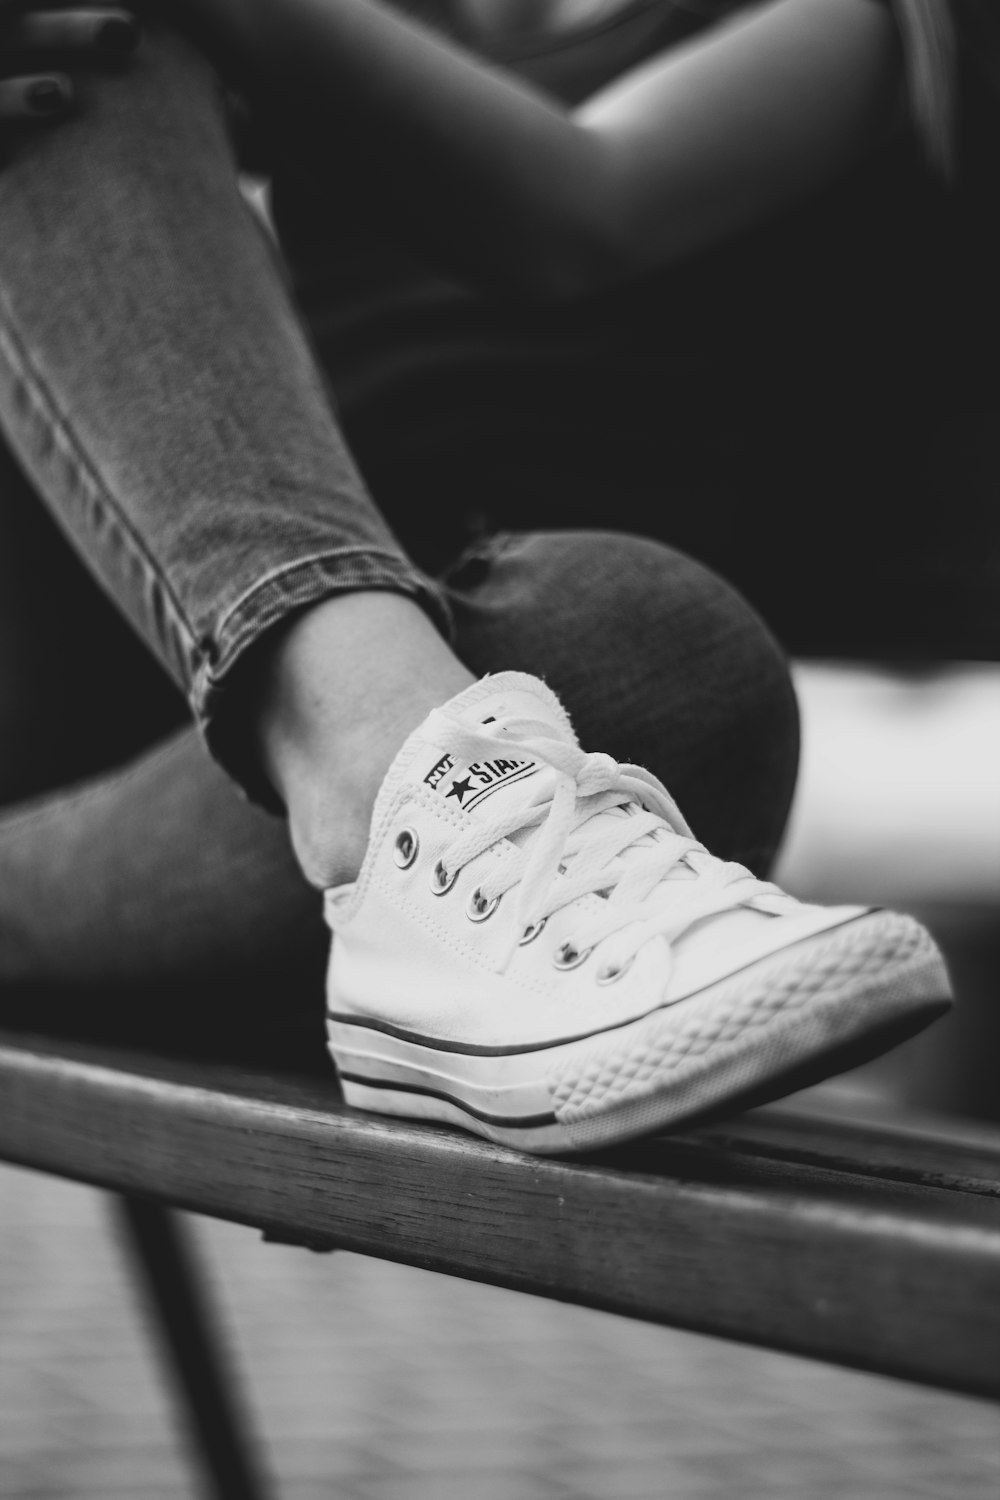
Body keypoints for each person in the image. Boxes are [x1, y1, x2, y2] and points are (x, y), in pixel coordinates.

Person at [0, 1, 952, 1155]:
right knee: (79, 53)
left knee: (653, 657)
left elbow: (585, 207)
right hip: (132, 670)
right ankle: (378, 772)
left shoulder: (856, 20)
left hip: (517, 806)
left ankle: (397, 778)